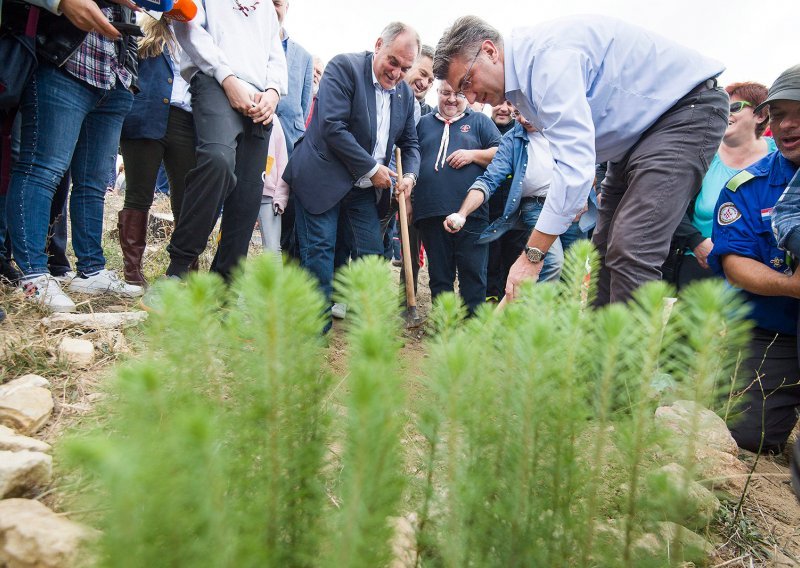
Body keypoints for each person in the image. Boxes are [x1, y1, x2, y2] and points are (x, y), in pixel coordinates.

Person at [433, 15, 728, 304]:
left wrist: (532, 256)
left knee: (631, 247)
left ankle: (624, 353)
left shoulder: (546, 62)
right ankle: (601, 348)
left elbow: (574, 167)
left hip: (682, 114)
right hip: (631, 142)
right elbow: (571, 157)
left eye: (467, 81)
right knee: (603, 248)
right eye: (462, 91)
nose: (470, 99)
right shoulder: (524, 85)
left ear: (489, 50)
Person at [5, 0, 142, 312]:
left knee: (93, 183)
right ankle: (34, 277)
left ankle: (91, 270)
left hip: (114, 75)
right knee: (41, 170)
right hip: (65, 61)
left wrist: (130, 76)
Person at [283, 22, 420, 329]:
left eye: (405, 68)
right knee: (320, 251)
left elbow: (410, 143)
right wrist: (373, 169)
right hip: (321, 177)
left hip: (361, 190)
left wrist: (409, 175)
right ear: (378, 45)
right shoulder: (344, 68)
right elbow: (333, 126)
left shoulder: (404, 96)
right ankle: (314, 332)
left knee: (371, 254)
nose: (396, 73)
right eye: (393, 61)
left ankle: (365, 328)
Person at [707, 64, 800, 454]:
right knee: (744, 435)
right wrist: (791, 287)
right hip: (773, 333)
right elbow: (734, 263)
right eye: (779, 115)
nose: (788, 126)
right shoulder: (748, 187)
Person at [166, 0, 287, 282]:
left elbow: (275, 55)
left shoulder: (267, 8)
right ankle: (178, 269)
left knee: (248, 192)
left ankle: (224, 287)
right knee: (217, 160)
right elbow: (189, 29)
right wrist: (227, 77)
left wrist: (272, 93)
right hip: (214, 80)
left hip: (260, 96)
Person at [668, 82, 775, 290]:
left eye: (734, 107)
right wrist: (696, 242)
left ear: (761, 115)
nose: (726, 112)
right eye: (722, 107)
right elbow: (670, 203)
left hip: (761, 267)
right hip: (701, 262)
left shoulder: (780, 156)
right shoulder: (702, 154)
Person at [445, 109, 567, 283]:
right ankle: (536, 310)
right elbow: (489, 180)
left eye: (527, 110)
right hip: (537, 206)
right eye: (518, 113)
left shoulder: (563, 127)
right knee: (552, 262)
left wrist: (582, 196)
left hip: (571, 202)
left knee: (571, 270)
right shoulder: (511, 139)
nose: (523, 119)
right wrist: (462, 213)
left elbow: (586, 159)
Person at [118, 16, 196, 287]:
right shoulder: (146, 29)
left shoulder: (201, 35)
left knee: (187, 199)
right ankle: (132, 269)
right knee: (139, 195)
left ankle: (185, 267)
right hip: (145, 116)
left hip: (186, 122)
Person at [413, 81, 500, 313]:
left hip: (472, 214)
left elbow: (500, 153)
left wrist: (473, 155)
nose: (451, 99)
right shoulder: (422, 124)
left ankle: (472, 329)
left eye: (458, 94)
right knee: (439, 275)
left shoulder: (480, 122)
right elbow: (411, 155)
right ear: (438, 93)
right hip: (431, 210)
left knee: (473, 273)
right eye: (446, 93)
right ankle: (444, 326)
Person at [272, 0, 313, 260]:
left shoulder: (303, 57)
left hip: (288, 147)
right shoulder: (248, 45)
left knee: (288, 215)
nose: (272, 7)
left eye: (277, 3)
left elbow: (304, 104)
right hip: (250, 139)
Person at [485, 99, 525, 301]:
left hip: (517, 212)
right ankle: (489, 302)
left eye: (509, 104)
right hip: (487, 210)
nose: (503, 108)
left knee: (513, 259)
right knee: (489, 260)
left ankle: (507, 306)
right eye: (498, 103)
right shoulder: (481, 127)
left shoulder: (522, 131)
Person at [258, 116, 289, 257]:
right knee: (234, 245)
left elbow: (283, 161)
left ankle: (275, 279)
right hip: (241, 194)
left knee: (273, 249)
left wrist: (281, 197)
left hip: (268, 197)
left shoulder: (274, 120)